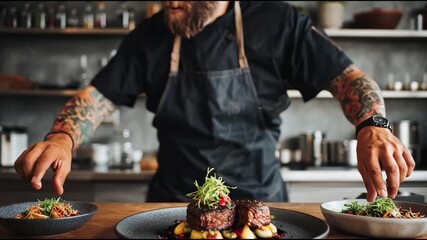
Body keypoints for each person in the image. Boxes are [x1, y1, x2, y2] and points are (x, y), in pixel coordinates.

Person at [14, 1, 414, 203]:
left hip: (260, 203)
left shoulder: (277, 22)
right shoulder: (151, 35)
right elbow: (98, 97)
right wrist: (63, 136)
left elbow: (349, 79)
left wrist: (372, 126)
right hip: (172, 205)